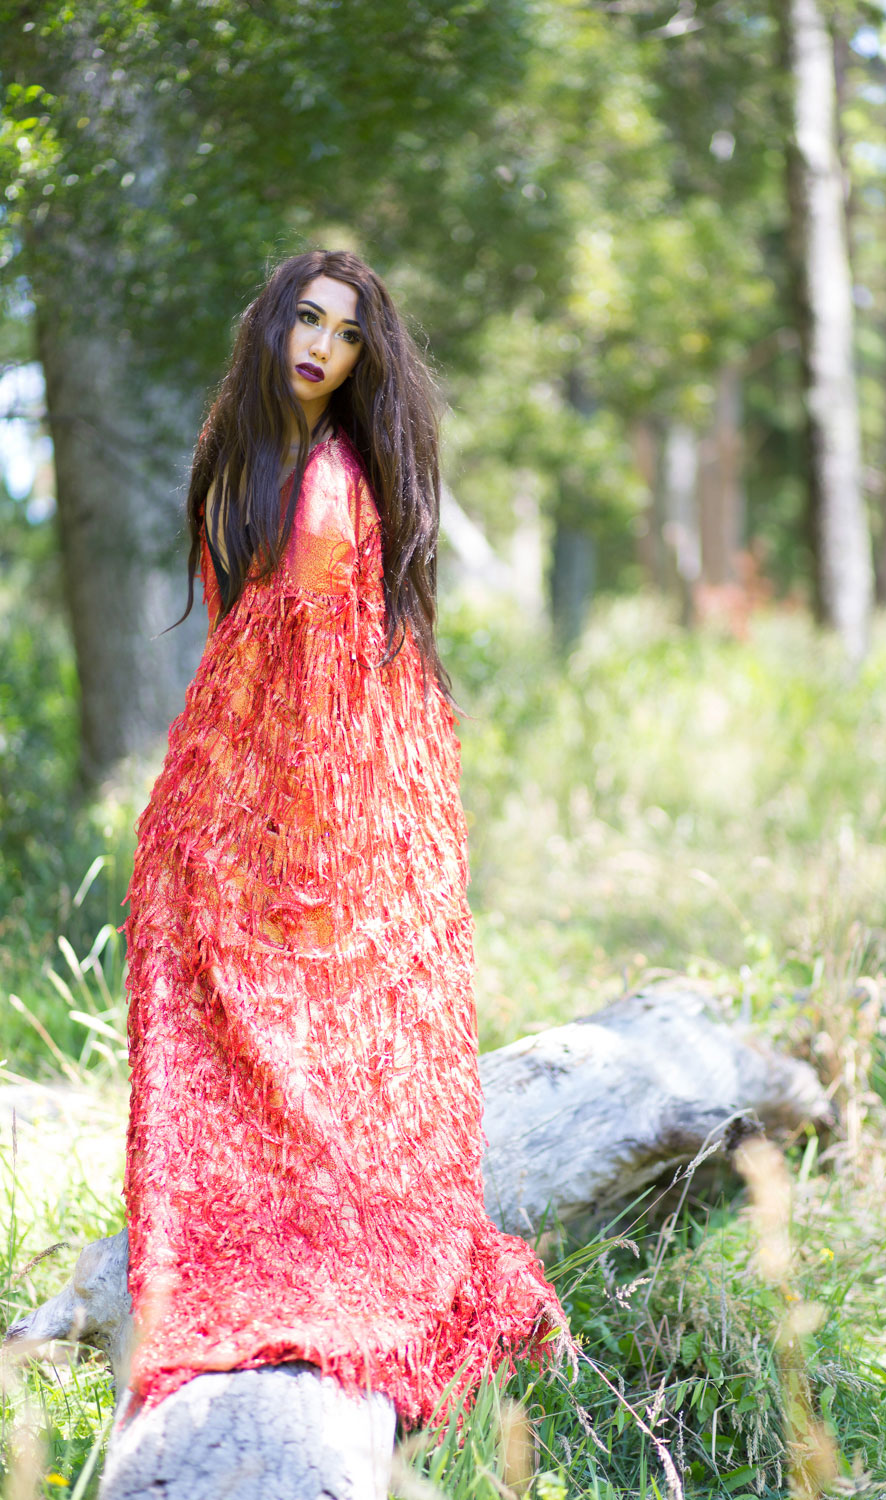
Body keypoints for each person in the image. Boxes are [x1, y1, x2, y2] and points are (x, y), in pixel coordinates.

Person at [121, 249, 570, 1437]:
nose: (322, 345)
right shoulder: (251, 463)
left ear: (368, 357)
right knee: (267, 1036)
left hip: (311, 813)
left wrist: (281, 839)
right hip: (255, 808)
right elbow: (239, 656)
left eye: (348, 333)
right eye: (306, 321)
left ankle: (320, 1256)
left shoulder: (325, 486)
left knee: (307, 1043)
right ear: (271, 327)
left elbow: (315, 697)